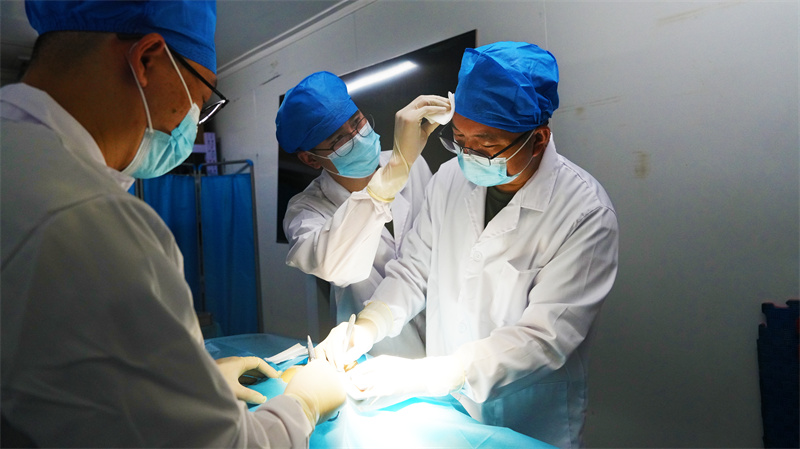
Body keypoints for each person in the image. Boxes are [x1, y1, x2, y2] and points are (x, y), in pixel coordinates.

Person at [1, 1, 343, 447]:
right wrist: (304, 404)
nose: (193, 123)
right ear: (147, 59)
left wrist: (189, 384)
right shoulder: (87, 219)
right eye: (200, 99)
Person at [315, 42, 619, 448]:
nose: (469, 155)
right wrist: (368, 326)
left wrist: (435, 373)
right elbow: (414, 271)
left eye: (486, 145)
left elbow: (545, 339)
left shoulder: (584, 212)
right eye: (459, 139)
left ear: (538, 139)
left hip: (526, 418)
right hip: (449, 411)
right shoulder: (449, 180)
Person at [276, 71, 451, 358]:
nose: (357, 137)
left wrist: (399, 166)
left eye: (357, 121)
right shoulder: (306, 211)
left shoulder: (412, 164)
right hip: (377, 348)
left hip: (442, 329)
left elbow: (430, 252)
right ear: (310, 159)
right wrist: (389, 180)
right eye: (339, 139)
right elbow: (338, 268)